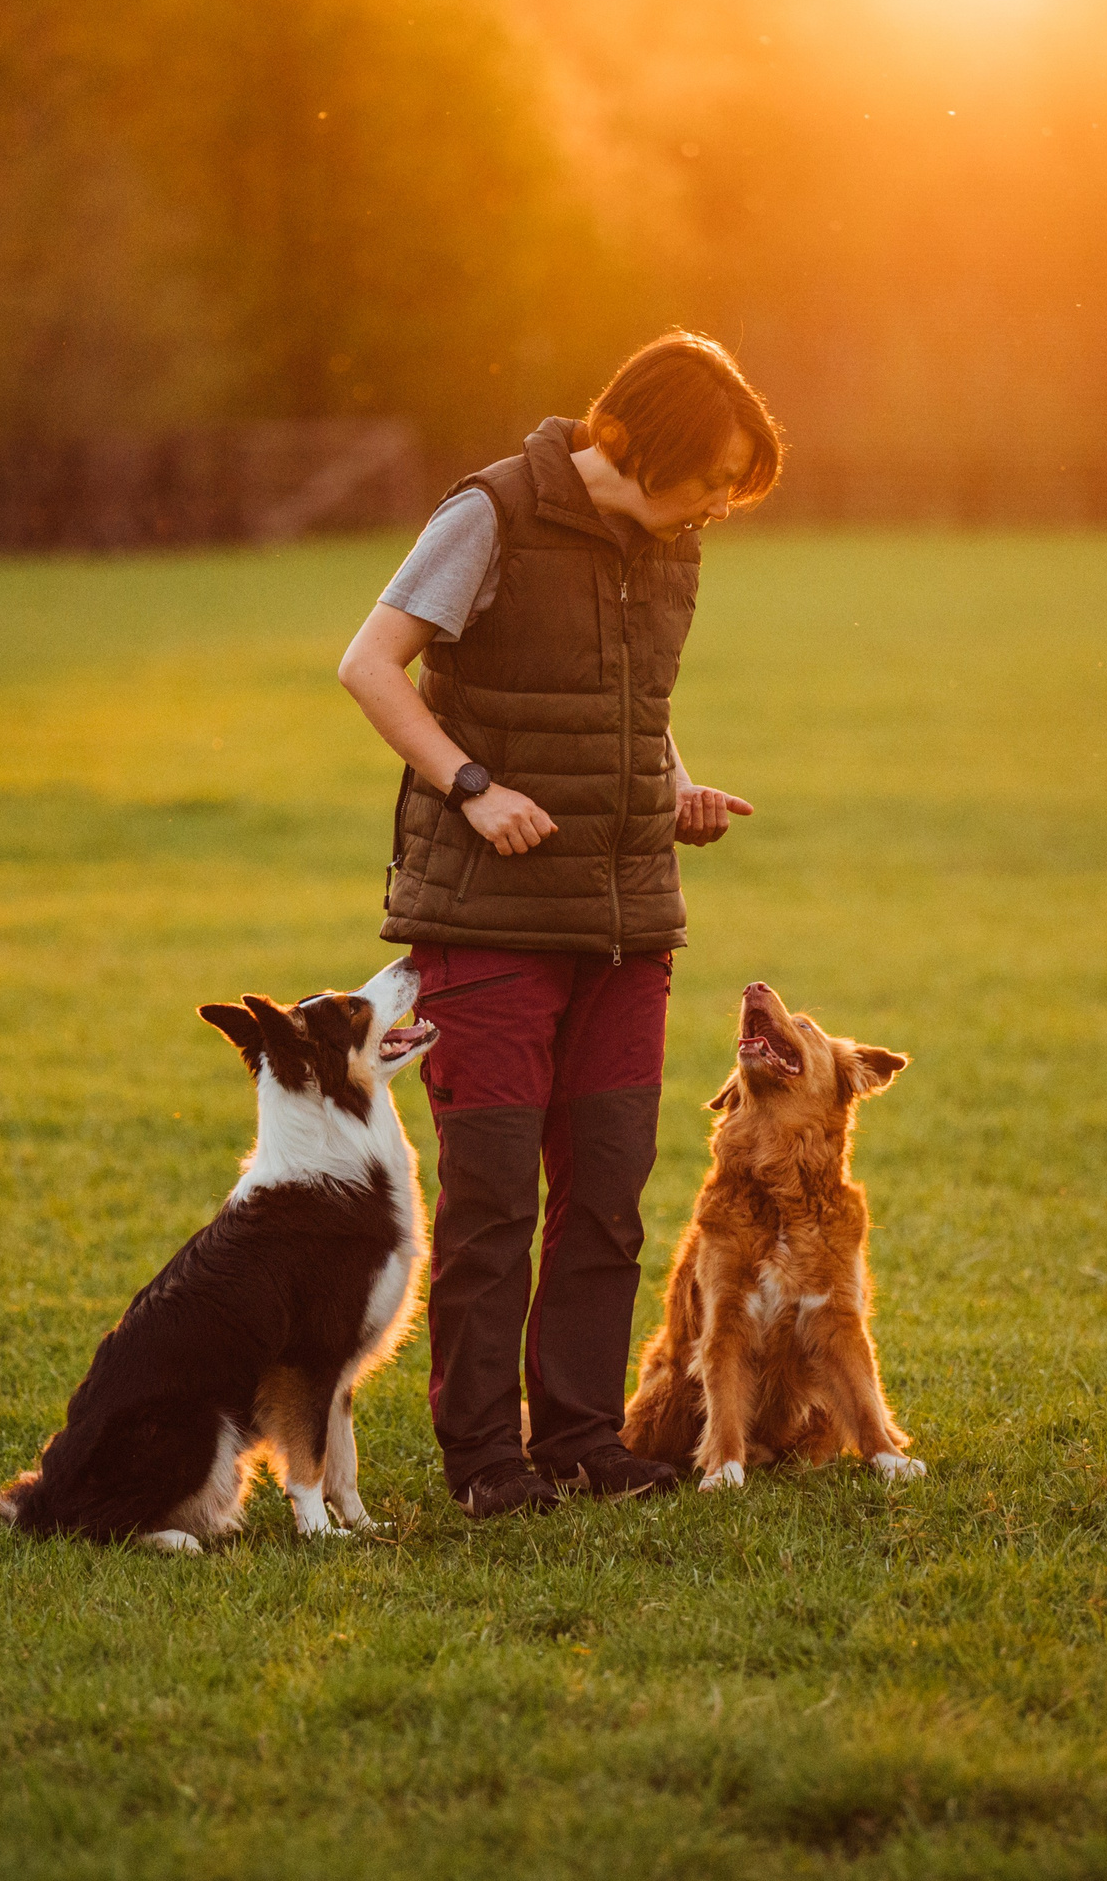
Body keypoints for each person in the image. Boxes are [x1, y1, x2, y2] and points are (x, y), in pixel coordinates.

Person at [336, 330, 783, 1518]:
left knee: (608, 1191)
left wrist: (671, 782)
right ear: (633, 439)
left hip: (628, 916)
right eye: (708, 476)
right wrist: (472, 789)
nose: (714, 505)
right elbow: (369, 665)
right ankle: (485, 1459)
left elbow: (632, 702)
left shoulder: (667, 544)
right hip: (487, 920)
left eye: (732, 489)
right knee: (493, 1200)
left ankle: (582, 1440)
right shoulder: (491, 514)